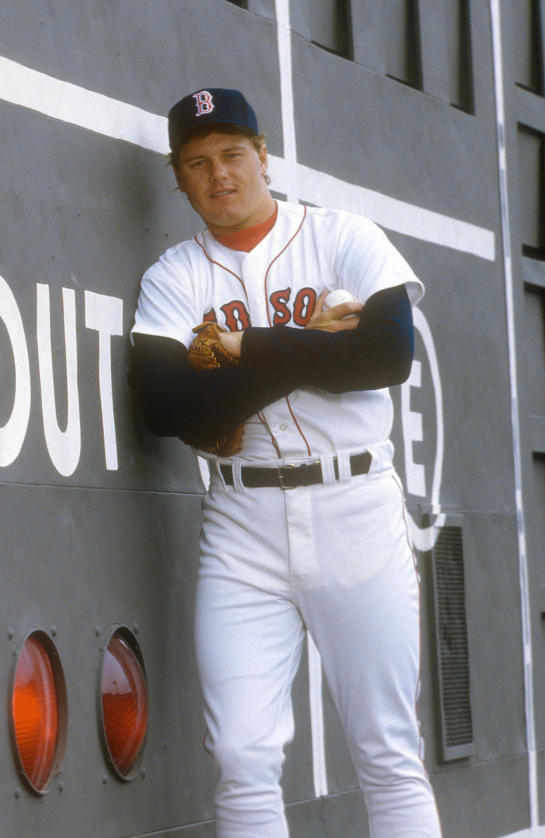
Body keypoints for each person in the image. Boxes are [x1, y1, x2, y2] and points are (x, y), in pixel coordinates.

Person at [129, 87, 443, 838]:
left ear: (263, 156)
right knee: (238, 753)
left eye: (233, 154)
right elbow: (169, 410)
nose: (219, 175)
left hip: (355, 505)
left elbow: (383, 354)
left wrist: (240, 352)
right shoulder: (172, 278)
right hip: (243, 524)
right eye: (197, 163)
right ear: (179, 180)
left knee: (386, 748)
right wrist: (302, 341)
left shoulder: (342, 236)